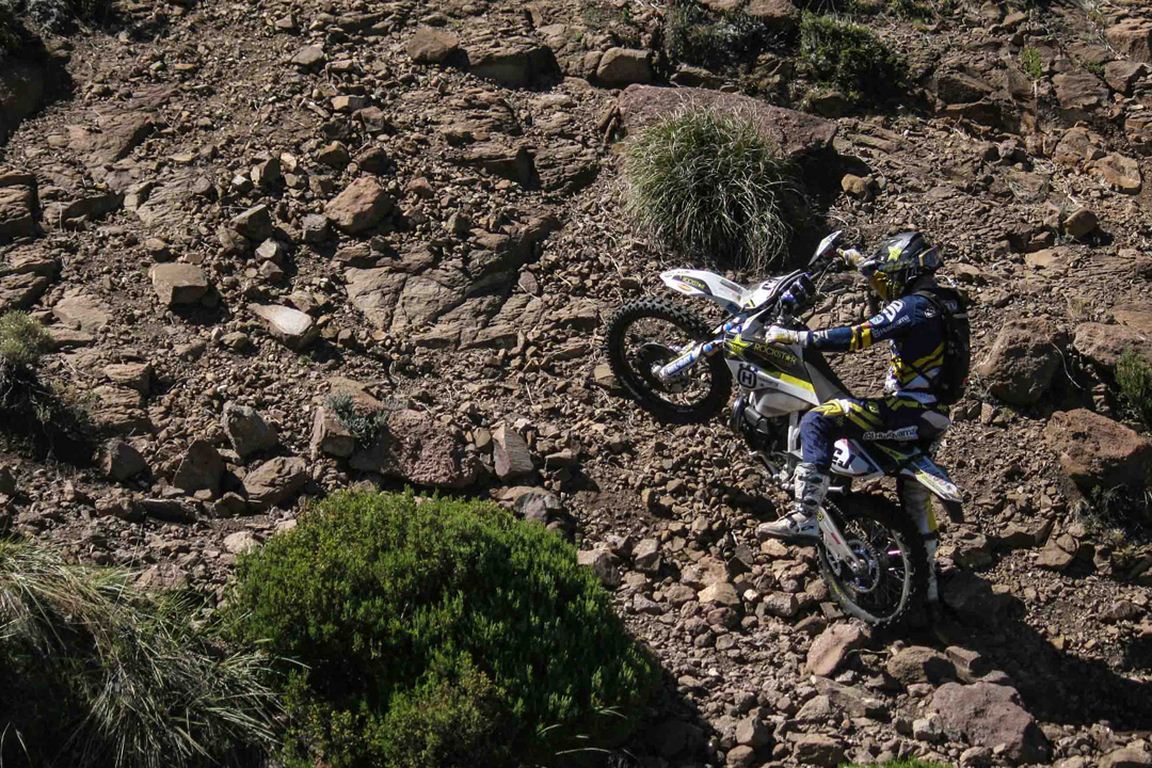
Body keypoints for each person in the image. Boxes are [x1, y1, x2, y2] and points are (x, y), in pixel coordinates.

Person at [756, 231, 969, 605]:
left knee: (818, 420)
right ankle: (930, 588)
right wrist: (862, 266)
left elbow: (858, 336)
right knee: (914, 498)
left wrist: (795, 338)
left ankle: (805, 514)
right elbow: (895, 302)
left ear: (906, 272)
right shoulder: (947, 301)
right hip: (934, 416)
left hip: (905, 411)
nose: (887, 281)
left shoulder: (912, 308)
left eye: (892, 274)